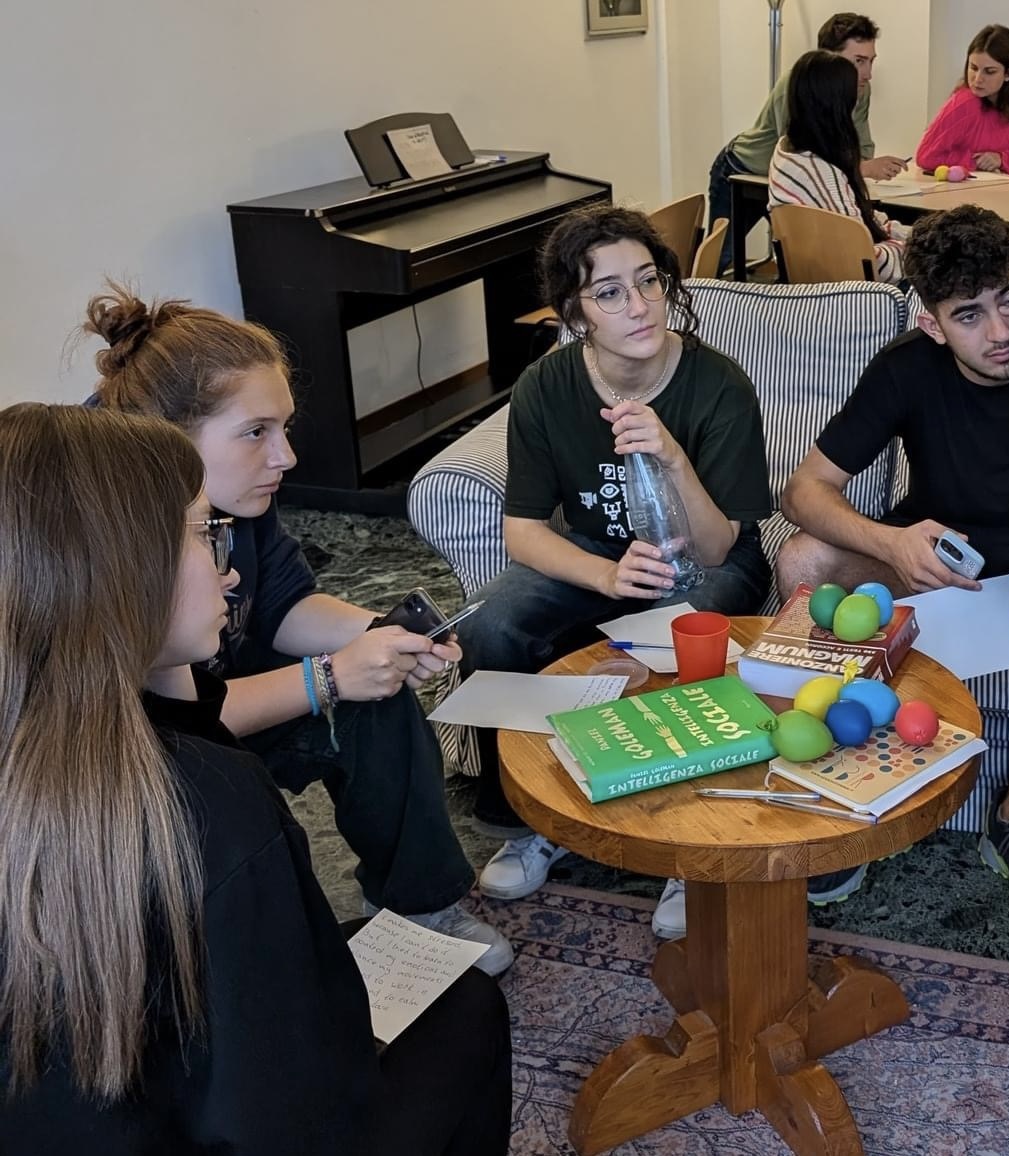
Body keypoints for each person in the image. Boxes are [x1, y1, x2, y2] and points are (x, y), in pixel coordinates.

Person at [0, 404, 511, 1155]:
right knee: (468, 1006)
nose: (228, 569)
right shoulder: (214, 808)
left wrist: (165, 664)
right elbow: (299, 1105)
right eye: (201, 534)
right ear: (126, 571)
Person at [86, 287, 513, 976]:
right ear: (169, 434)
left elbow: (284, 601)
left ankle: (418, 905)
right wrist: (330, 676)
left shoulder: (232, 492)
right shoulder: (107, 532)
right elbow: (167, 723)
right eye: (256, 431)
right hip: (136, 751)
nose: (284, 456)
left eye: (283, 427)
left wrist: (381, 636)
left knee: (378, 688)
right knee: (333, 698)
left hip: (219, 689)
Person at [777, 204, 1009, 928]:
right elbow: (804, 491)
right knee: (803, 557)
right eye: (969, 316)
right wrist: (891, 544)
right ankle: (849, 789)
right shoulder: (906, 367)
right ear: (932, 324)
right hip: (937, 559)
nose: (1001, 332)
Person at [453, 204, 773, 939]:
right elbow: (523, 534)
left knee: (692, 631)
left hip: (705, 554)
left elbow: (718, 546)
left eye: (649, 281)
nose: (639, 305)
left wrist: (671, 455)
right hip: (597, 551)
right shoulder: (546, 385)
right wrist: (604, 579)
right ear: (575, 312)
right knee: (491, 625)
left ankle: (687, 847)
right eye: (609, 292)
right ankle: (527, 822)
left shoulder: (718, 385)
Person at [706, 12, 906, 273]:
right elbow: (807, 150)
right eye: (858, 61)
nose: (868, 74)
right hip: (744, 169)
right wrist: (862, 168)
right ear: (827, 58)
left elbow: (859, 146)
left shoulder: (859, 90)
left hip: (793, 179)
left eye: (871, 61)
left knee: (803, 258)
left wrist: (860, 167)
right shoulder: (797, 88)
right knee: (720, 258)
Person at [767, 50, 911, 285]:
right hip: (853, 292)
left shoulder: (786, 152)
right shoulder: (823, 172)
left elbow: (858, 223)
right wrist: (912, 249)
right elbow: (867, 262)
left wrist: (907, 234)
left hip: (813, 282)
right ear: (838, 106)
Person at [915, 25, 1009, 178]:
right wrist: (975, 161)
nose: (978, 79)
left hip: (1008, 189)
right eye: (973, 68)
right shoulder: (964, 102)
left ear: (1008, 74)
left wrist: (1002, 159)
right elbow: (926, 156)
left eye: (989, 71)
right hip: (964, 190)